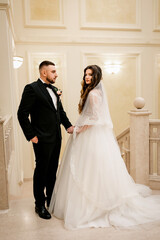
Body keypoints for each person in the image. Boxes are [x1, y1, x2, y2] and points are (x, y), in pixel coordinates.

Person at [49, 65, 160, 229]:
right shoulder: (91, 92)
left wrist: (78, 129)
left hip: (90, 134)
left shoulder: (94, 94)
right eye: (86, 74)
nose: (87, 77)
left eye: (91, 75)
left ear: (97, 77)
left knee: (90, 169)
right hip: (88, 133)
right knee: (90, 169)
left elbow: (95, 119)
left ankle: (94, 208)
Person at [17, 60, 74, 220]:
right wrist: (31, 135)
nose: (56, 74)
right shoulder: (32, 89)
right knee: (41, 171)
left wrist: (68, 127)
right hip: (41, 138)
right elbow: (22, 113)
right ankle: (39, 205)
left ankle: (51, 200)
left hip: (56, 137)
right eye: (53, 71)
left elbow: (59, 112)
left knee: (52, 170)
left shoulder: (55, 89)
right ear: (44, 73)